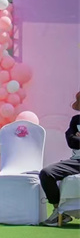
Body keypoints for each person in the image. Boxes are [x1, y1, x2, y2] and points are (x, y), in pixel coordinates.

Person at [40, 91, 80, 226]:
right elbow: (71, 141)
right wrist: (75, 138)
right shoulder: (76, 120)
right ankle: (59, 211)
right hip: (77, 162)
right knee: (46, 173)